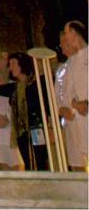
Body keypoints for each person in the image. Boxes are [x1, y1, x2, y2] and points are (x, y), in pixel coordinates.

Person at [0, 53, 48, 170]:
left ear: (22, 65)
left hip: (35, 127)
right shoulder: (16, 87)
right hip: (21, 131)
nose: (11, 67)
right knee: (28, 162)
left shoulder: (37, 82)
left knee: (40, 162)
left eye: (13, 64)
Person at [58, 21, 88, 170]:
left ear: (74, 33)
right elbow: (67, 92)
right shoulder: (71, 63)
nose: (64, 36)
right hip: (76, 119)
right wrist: (67, 105)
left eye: (66, 32)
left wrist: (85, 104)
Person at [0, 53, 21, 170]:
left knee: (17, 163)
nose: (1, 69)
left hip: (12, 130)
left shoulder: (15, 86)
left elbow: (17, 105)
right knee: (3, 163)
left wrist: (7, 117)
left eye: (3, 66)